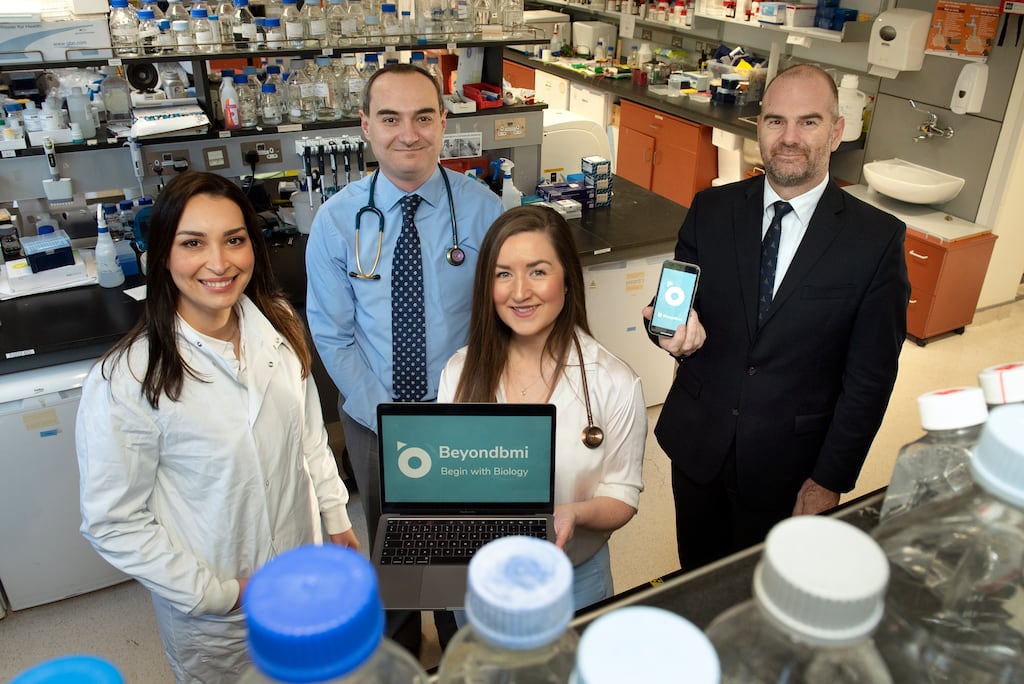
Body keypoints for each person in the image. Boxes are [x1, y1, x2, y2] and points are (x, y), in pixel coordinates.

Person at [76, 172, 359, 683]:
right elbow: (113, 522)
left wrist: (336, 516)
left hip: (300, 572)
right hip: (217, 608)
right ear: (161, 255)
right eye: (192, 243)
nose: (219, 263)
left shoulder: (277, 324)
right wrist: (219, 594)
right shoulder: (130, 378)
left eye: (234, 239)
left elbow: (308, 433)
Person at [644, 64, 910, 572]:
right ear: (758, 126)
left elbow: (870, 379)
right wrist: (667, 331)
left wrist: (828, 480)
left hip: (791, 469)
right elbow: (674, 309)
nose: (789, 138)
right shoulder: (711, 209)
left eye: (808, 123)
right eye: (775, 121)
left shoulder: (876, 241)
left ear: (837, 131)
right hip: (698, 447)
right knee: (696, 577)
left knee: (768, 596)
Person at [305, 63, 502, 648]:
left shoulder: (484, 212)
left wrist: (468, 403)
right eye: (390, 118)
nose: (407, 134)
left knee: (460, 549)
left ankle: (457, 636)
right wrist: (393, 419)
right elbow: (333, 336)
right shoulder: (338, 221)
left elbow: (506, 319)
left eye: (423, 117)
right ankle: (401, 650)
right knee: (394, 546)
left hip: (464, 412)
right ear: (366, 126)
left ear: (444, 122)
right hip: (375, 418)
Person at [439, 205, 646, 609]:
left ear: (567, 280)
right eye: (504, 274)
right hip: (479, 575)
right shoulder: (459, 373)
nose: (519, 292)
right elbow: (448, 480)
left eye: (538, 271)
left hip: (573, 579)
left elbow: (623, 495)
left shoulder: (614, 381)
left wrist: (573, 513)